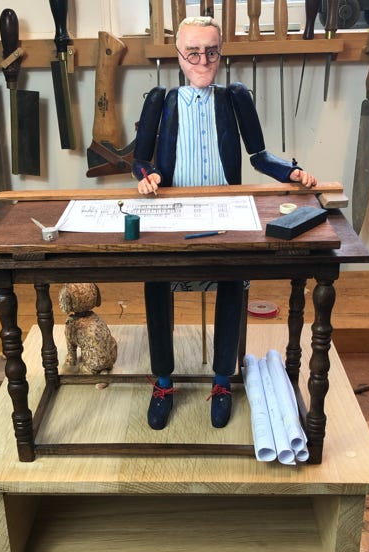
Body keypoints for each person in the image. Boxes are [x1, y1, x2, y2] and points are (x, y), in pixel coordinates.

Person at [132, 16, 317, 431]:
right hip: (174, 210)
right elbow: (140, 159)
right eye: (193, 53)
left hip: (225, 211)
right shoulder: (161, 100)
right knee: (155, 277)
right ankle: (163, 381)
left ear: (220, 54)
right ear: (178, 56)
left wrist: (290, 172)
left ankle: (221, 380)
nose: (203, 61)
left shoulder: (234, 98)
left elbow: (259, 155)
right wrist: (148, 176)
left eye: (211, 53)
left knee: (233, 278)